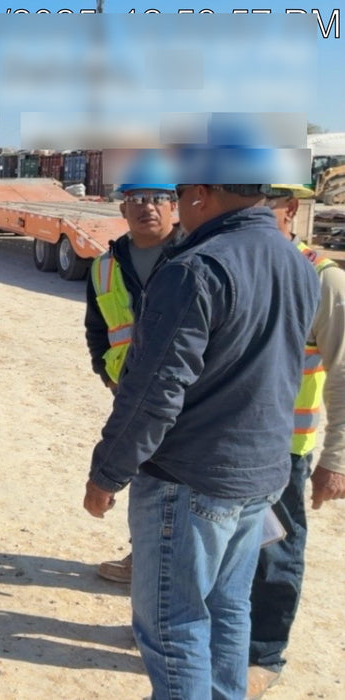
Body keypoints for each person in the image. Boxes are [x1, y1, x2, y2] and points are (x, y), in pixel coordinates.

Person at [82, 178, 320, 698]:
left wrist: (107, 473)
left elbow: (154, 391)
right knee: (227, 607)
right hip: (258, 477)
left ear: (199, 194)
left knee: (174, 625)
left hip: (190, 480)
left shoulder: (195, 269)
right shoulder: (297, 263)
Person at [246, 183, 345, 698]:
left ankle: (262, 654)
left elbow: (344, 372)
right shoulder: (235, 262)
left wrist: (337, 459)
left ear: (289, 209)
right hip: (226, 445)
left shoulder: (324, 280)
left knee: (276, 554)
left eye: (263, 205)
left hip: (286, 450)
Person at [85, 173, 180, 584]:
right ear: (122, 208)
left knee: (179, 484)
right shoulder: (105, 266)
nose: (148, 207)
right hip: (130, 392)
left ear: (175, 206)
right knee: (142, 472)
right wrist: (106, 374)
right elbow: (97, 328)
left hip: (184, 393)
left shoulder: (193, 259)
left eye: (160, 197)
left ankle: (165, 567)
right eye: (137, 198)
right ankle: (143, 557)